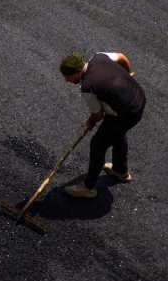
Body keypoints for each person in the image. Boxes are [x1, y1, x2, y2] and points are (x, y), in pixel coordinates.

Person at [60, 51, 146, 198]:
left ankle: (89, 188)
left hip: (125, 114)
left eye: (68, 77)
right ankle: (120, 170)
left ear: (79, 72)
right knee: (117, 134)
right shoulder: (99, 56)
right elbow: (122, 57)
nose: (66, 81)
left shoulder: (87, 87)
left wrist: (90, 121)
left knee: (98, 144)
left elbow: (98, 115)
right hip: (139, 98)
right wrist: (128, 74)